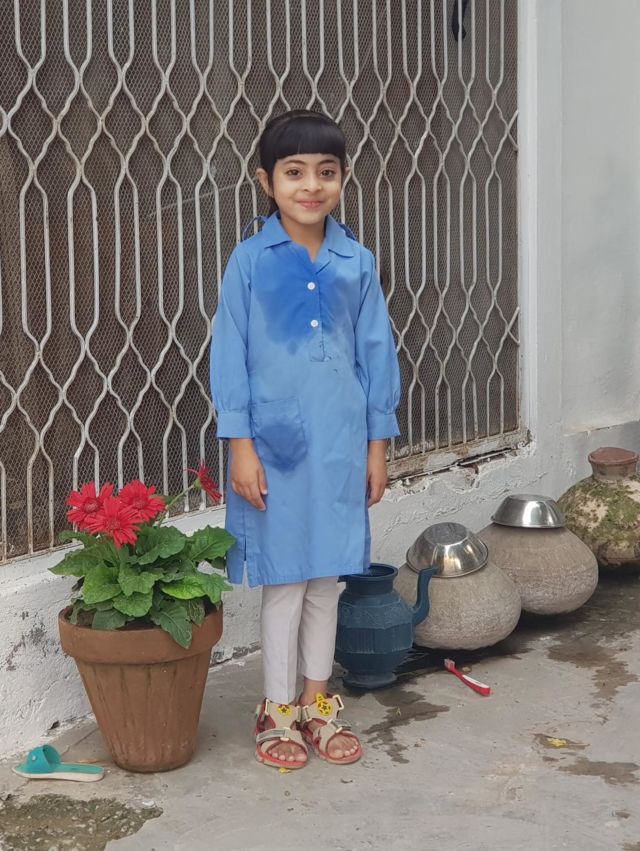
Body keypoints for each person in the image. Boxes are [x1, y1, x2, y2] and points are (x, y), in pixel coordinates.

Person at [210, 110, 401, 769]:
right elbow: (229, 355)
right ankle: (277, 709)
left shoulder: (356, 262)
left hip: (340, 446)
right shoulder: (250, 262)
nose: (311, 186)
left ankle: (319, 705)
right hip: (273, 449)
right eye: (294, 172)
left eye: (326, 171)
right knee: (285, 581)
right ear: (266, 181)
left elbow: (377, 357)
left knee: (326, 580)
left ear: (343, 178)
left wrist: (377, 447)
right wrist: (239, 445)